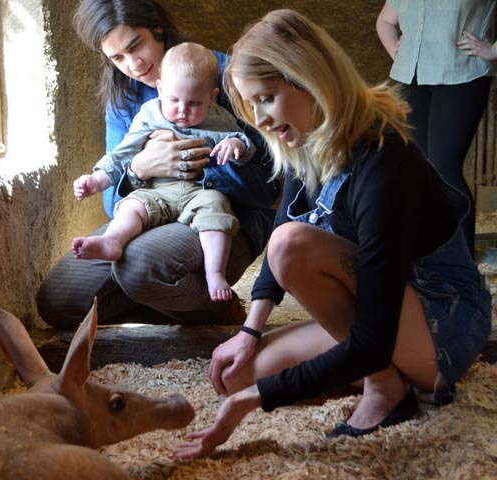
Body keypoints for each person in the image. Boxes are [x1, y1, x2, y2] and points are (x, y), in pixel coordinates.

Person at [173, 9, 492, 459]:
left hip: (442, 320)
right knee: (236, 376)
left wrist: (253, 404)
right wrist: (249, 330)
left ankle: (385, 389)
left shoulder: (384, 162)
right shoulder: (306, 140)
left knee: (290, 255)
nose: (261, 120)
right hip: (383, 311)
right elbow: (286, 220)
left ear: (308, 78)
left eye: (266, 98)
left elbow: (368, 335)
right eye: (251, 104)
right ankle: (383, 377)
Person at [36, 0, 279, 327]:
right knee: (58, 302)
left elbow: (270, 187)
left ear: (158, 29)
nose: (133, 65)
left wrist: (198, 161)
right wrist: (140, 168)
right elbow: (112, 202)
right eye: (117, 57)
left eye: (136, 46)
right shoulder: (123, 97)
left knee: (138, 265)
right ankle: (183, 304)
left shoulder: (231, 77)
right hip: (153, 209)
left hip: (219, 215)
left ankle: (214, 306)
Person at [72, 42, 255, 302]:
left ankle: (215, 272)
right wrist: (96, 180)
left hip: (199, 192)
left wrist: (236, 145)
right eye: (173, 100)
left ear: (212, 97)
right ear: (160, 89)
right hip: (155, 190)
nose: (182, 110)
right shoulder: (149, 115)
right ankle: (112, 240)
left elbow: (246, 145)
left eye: (194, 103)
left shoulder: (220, 117)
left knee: (216, 210)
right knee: (130, 207)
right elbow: (122, 154)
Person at [376, 0, 497, 257]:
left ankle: (462, 266)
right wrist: (398, 54)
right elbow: (385, 21)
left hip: (462, 76)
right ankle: (429, 260)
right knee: (420, 169)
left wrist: (493, 50)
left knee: (444, 168)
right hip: (411, 79)